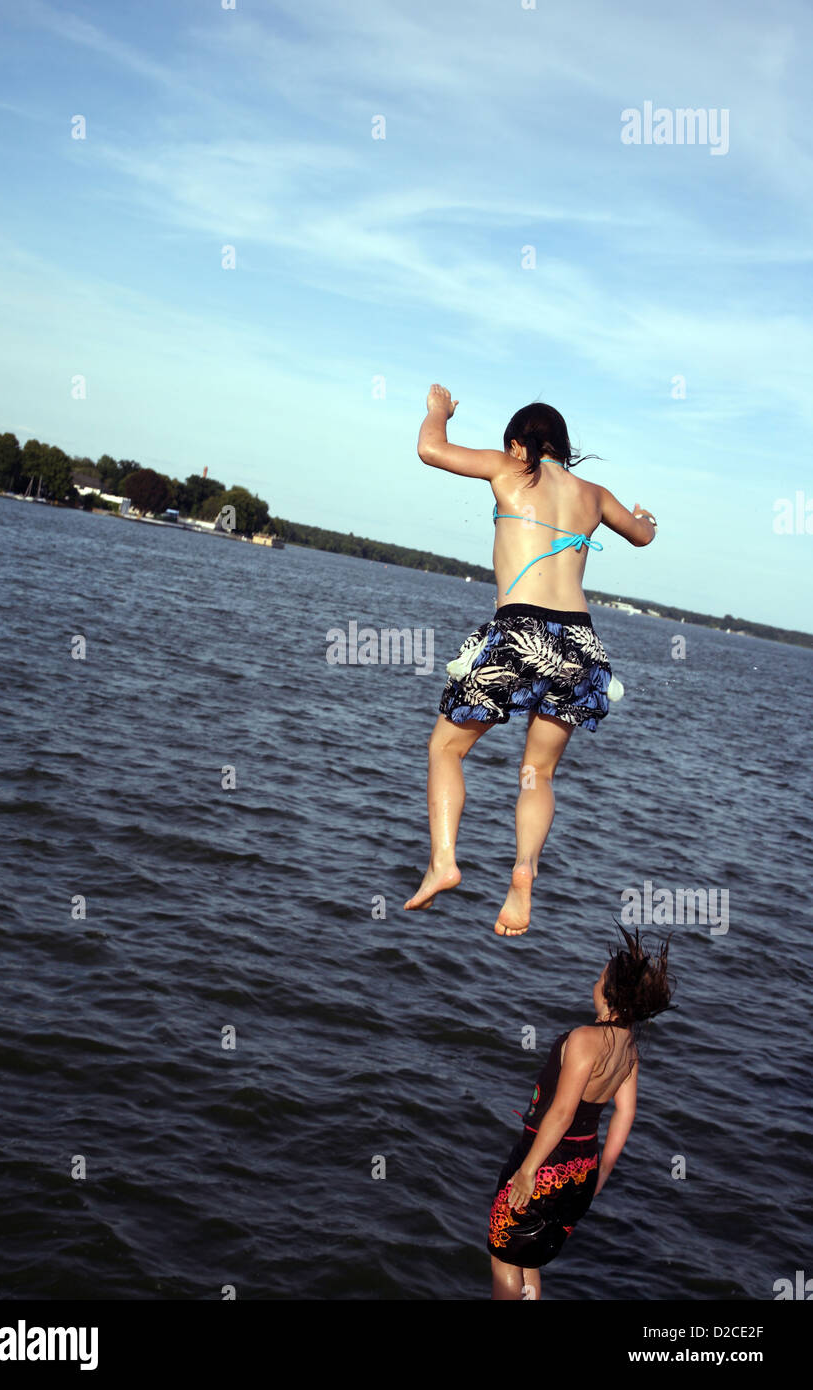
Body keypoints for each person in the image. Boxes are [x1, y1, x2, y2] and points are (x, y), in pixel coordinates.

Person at [404, 385, 657, 935]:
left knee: (445, 748)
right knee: (536, 772)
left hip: (522, 629)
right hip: (580, 642)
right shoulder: (593, 494)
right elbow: (641, 536)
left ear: (520, 445)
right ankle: (523, 872)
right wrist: (646, 520)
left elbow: (431, 449)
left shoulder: (511, 469)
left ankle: (443, 861)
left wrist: (438, 413)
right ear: (562, 447)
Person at [488, 927, 675, 1300]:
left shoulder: (585, 1039)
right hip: (582, 1170)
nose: (595, 982)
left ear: (609, 994)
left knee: (505, 1258)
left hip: (545, 1161)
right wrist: (602, 1171)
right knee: (529, 1259)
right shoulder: (629, 1050)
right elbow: (626, 1113)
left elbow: (560, 1113)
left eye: (599, 977)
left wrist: (527, 1172)